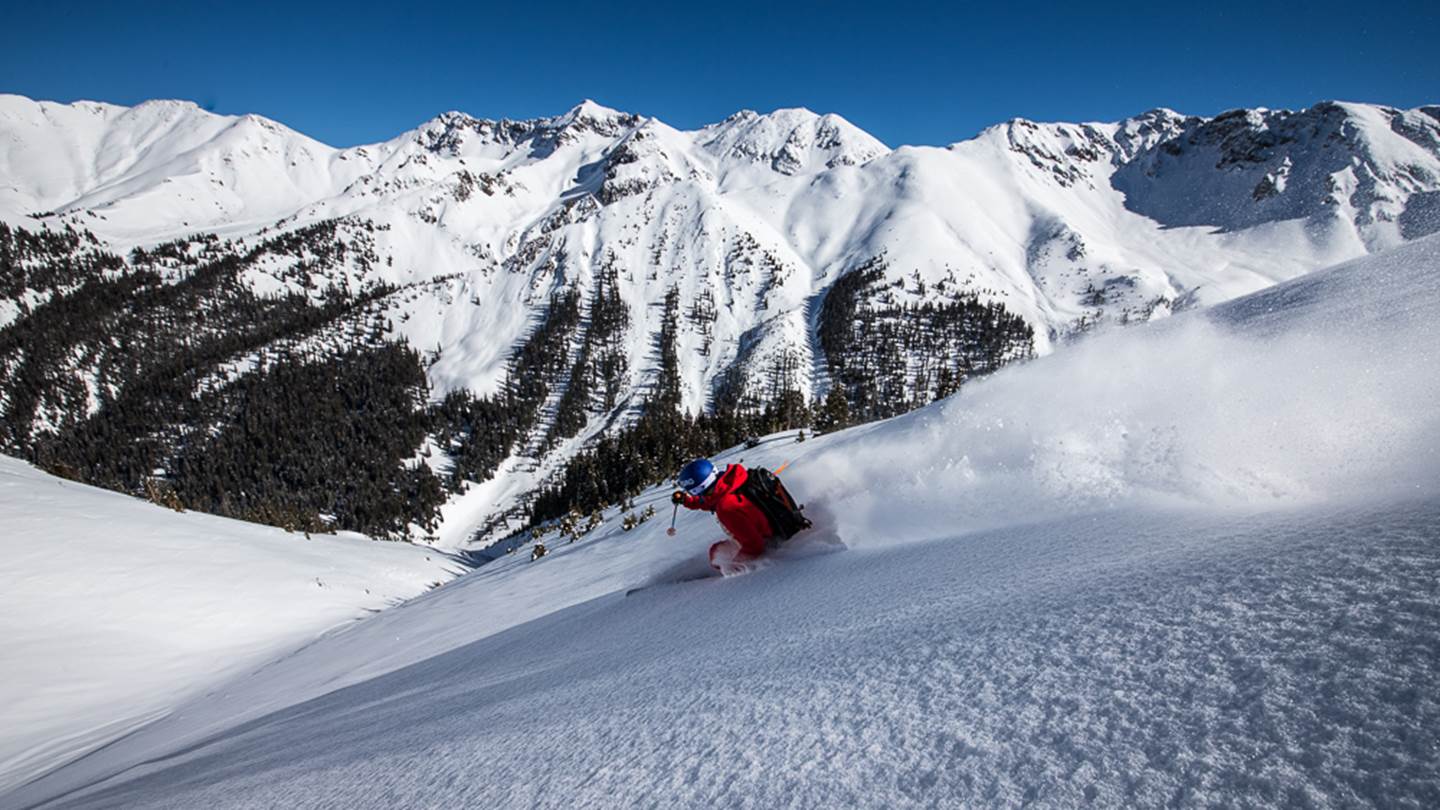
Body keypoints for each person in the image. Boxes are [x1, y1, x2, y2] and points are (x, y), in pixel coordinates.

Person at [672, 457, 774, 573]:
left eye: (693, 491)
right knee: (717, 550)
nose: (693, 494)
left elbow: (754, 545)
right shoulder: (730, 483)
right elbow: (710, 501)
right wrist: (687, 501)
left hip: (767, 539)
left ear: (701, 488)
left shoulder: (726, 508)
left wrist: (733, 566)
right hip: (767, 526)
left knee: (717, 554)